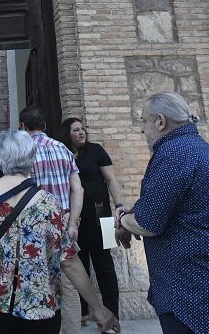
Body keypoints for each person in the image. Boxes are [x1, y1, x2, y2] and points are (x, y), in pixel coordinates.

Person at [116, 92, 209, 334]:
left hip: (195, 298)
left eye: (143, 121)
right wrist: (137, 212)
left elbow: (148, 223)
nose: (142, 130)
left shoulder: (173, 153)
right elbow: (180, 207)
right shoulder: (203, 150)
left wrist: (122, 220)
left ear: (160, 122)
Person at [0, 130, 121, 334]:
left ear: (1, 158)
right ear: (31, 159)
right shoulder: (48, 204)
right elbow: (69, 261)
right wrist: (99, 308)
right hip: (39, 307)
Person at [19, 105, 83, 334]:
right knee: (70, 284)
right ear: (45, 126)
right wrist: (73, 222)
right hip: (64, 221)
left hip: (34, 225)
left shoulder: (22, 154)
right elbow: (78, 188)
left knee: (36, 284)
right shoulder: (63, 149)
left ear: (22, 126)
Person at [61, 116, 124, 322]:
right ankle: (84, 312)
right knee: (81, 265)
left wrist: (120, 205)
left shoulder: (96, 150)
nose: (81, 132)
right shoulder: (63, 154)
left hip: (102, 217)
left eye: (82, 129)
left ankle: (112, 311)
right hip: (76, 220)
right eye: (75, 130)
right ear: (67, 134)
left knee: (104, 265)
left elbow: (111, 179)